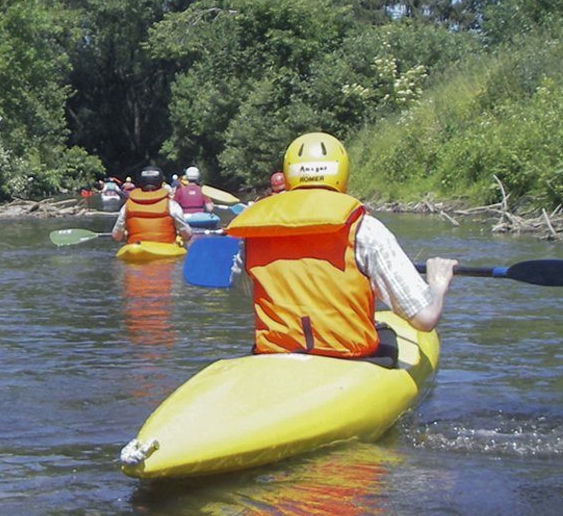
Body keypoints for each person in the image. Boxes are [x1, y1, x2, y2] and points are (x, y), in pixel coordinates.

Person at [225, 132, 455, 359]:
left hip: (275, 354)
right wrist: (437, 284)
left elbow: (245, 288)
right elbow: (425, 319)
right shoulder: (365, 229)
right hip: (348, 356)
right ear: (341, 173)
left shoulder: (257, 233)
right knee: (386, 333)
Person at [112, 166, 194, 246]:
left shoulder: (127, 205)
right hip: (165, 250)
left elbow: (116, 236)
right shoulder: (171, 204)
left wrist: (125, 235)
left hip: (137, 249)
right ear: (161, 183)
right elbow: (187, 235)